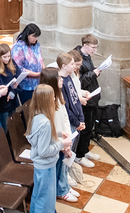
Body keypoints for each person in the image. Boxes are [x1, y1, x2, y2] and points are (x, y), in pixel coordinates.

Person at [26, 84, 72, 213]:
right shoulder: (46, 123)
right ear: (46, 100)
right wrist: (62, 144)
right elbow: (44, 151)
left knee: (38, 195)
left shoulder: (37, 117)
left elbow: (41, 137)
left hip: (40, 166)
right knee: (46, 201)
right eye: (52, 96)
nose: (54, 99)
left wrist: (58, 133)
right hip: (46, 167)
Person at [39, 68, 76, 203]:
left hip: (62, 137)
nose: (62, 80)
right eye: (59, 78)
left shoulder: (58, 95)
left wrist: (68, 135)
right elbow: (51, 126)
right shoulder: (46, 101)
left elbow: (64, 116)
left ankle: (64, 186)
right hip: (55, 141)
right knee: (58, 166)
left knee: (63, 166)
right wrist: (62, 143)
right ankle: (60, 190)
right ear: (51, 81)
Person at [75, 36, 102, 163]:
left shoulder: (87, 56)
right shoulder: (76, 58)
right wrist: (93, 74)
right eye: (93, 47)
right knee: (84, 128)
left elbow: (87, 72)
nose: (95, 50)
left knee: (89, 127)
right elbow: (79, 82)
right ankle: (79, 155)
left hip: (91, 96)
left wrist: (95, 71)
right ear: (85, 46)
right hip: (84, 99)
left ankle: (85, 150)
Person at [11, 23, 44, 103]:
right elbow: (19, 68)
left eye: (37, 37)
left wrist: (44, 69)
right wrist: (36, 74)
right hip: (26, 85)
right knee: (28, 106)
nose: (35, 39)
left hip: (37, 82)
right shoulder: (19, 46)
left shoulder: (36, 43)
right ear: (27, 34)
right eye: (33, 36)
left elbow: (40, 58)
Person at [0, 43, 20, 130]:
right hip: (3, 103)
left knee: (13, 126)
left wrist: (13, 91)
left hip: (12, 101)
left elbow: (18, 77)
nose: (7, 59)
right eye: (4, 57)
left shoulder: (12, 63)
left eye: (9, 56)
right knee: (5, 128)